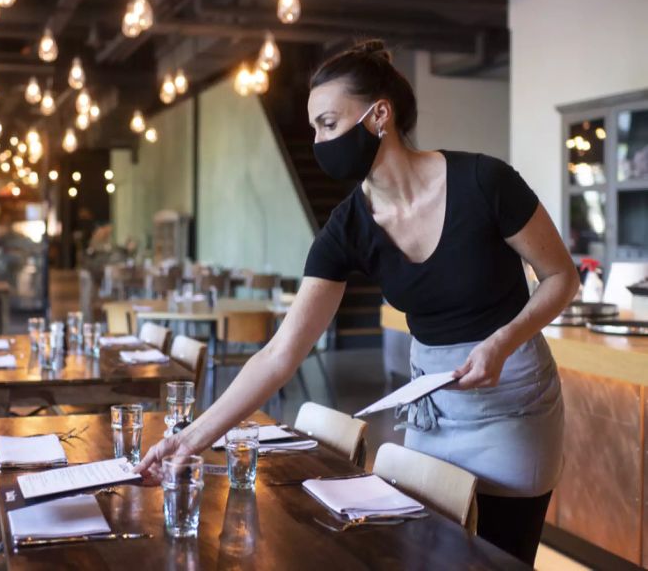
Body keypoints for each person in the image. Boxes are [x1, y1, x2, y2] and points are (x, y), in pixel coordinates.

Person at [134, 39, 579, 565]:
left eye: (327, 123)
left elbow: (561, 278)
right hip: (433, 412)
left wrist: (503, 342)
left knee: (499, 561)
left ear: (379, 116)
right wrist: (189, 439)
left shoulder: (485, 182)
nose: (320, 142)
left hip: (514, 405)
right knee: (424, 555)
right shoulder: (346, 228)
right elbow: (279, 355)